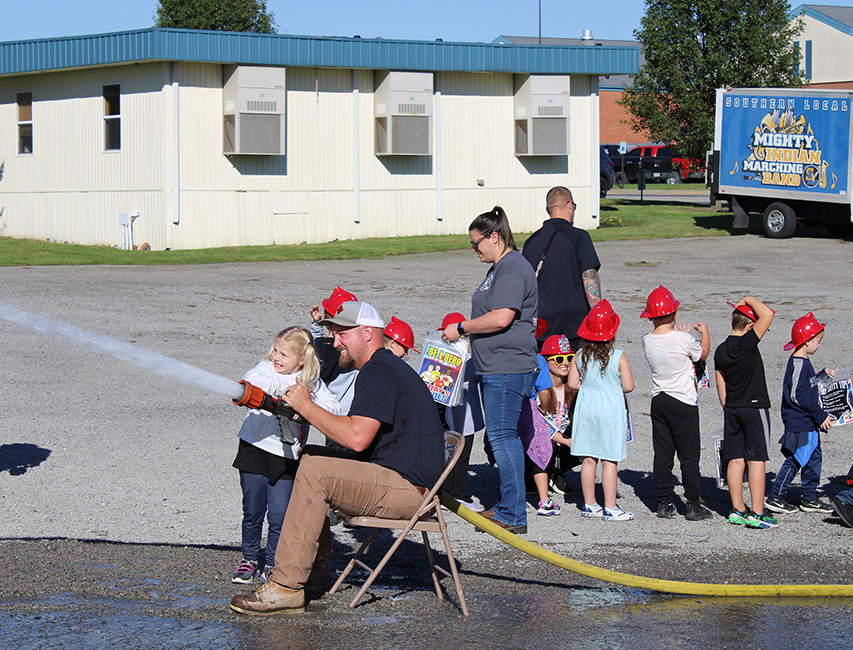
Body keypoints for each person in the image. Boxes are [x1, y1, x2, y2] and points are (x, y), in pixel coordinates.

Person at [229, 301, 445, 615]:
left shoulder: (380, 370)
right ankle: (315, 572)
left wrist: (305, 406)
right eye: (333, 333)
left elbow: (356, 439)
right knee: (311, 456)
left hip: (410, 491)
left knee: (316, 469)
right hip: (398, 479)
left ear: (368, 333)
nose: (335, 341)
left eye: (343, 333)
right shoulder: (381, 368)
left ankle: (286, 585)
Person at [441, 206, 539, 535]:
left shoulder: (511, 268)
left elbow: (502, 317)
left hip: (507, 366)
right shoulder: (501, 267)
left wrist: (462, 328)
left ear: (494, 237)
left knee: (502, 436)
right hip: (496, 365)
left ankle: (513, 514)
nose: (474, 249)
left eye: (476, 243)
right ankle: (507, 505)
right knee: (502, 435)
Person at [231, 327, 340, 584]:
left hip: (288, 457)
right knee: (252, 511)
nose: (276, 357)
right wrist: (280, 391)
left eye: (284, 354)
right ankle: (248, 559)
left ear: (302, 359)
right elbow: (251, 380)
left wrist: (306, 402)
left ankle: (272, 563)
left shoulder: (311, 382)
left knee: (280, 516)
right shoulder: (266, 369)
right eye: (275, 350)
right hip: (254, 449)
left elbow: (333, 406)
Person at [640, 286, 713, 521]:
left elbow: (672, 344)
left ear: (650, 316)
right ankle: (693, 503)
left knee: (663, 453)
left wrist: (680, 334)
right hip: (683, 401)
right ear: (674, 314)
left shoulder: (647, 341)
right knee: (689, 455)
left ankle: (664, 502)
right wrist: (705, 332)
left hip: (659, 399)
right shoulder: (684, 338)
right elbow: (701, 354)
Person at [714, 297, 779, 529]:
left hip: (731, 408)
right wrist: (748, 299)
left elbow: (720, 385)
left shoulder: (721, 350)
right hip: (754, 407)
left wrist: (728, 406)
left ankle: (737, 509)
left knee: (735, 459)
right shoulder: (748, 343)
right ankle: (757, 512)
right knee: (756, 459)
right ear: (750, 326)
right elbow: (768, 314)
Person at [568, 300, 635, 521]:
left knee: (588, 458)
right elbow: (628, 386)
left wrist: (589, 386)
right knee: (609, 458)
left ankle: (589, 503)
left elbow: (572, 383)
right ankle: (610, 506)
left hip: (587, 406)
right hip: (610, 408)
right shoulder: (619, 356)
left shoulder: (580, 355)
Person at [765, 312, 835, 515]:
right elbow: (798, 395)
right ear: (806, 341)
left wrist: (821, 377)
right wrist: (820, 415)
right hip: (800, 422)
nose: (819, 345)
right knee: (797, 459)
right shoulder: (797, 363)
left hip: (809, 422)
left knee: (814, 459)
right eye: (818, 341)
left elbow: (806, 386)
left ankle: (810, 498)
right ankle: (775, 497)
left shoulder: (803, 362)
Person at [521, 186, 602, 350]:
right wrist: (598, 315)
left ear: (547, 209)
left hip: (540, 327)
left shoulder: (531, 241)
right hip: (573, 327)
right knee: (572, 372)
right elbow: (589, 276)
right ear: (570, 205)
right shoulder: (579, 237)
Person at [436, 312, 485, 513]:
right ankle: (459, 495)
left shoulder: (439, 357)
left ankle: (444, 492)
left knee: (448, 453)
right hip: (461, 417)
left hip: (453, 415)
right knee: (460, 455)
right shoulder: (470, 360)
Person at [309, 286, 359, 416]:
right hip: (351, 412)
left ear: (327, 318)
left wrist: (317, 323)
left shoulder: (321, 347)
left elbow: (319, 340)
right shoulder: (351, 349)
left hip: (331, 412)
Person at [539, 334, 578, 496]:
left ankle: (557, 473)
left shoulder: (574, 387)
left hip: (563, 440)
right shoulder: (540, 389)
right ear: (546, 361)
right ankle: (537, 475)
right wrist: (566, 441)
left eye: (569, 358)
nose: (565, 363)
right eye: (559, 359)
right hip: (542, 440)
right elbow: (538, 422)